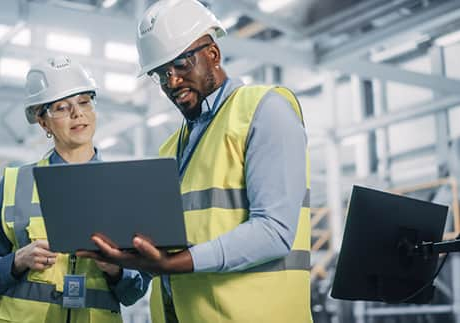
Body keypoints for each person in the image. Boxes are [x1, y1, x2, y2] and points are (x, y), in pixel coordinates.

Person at [76, 0, 312, 322]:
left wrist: (177, 262)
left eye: (181, 65)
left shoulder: (263, 111)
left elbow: (275, 231)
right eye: (161, 74)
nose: (171, 82)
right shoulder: (170, 149)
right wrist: (120, 267)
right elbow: (159, 260)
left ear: (212, 54)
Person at [0, 56, 151, 323]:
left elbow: (135, 290)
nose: (78, 114)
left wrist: (116, 270)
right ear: (43, 122)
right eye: (62, 108)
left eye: (84, 102)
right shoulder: (15, 183)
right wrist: (17, 261)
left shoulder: (123, 187)